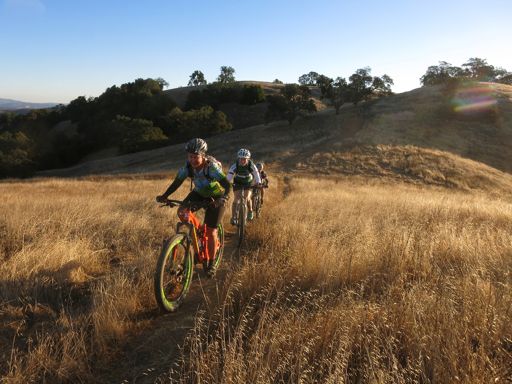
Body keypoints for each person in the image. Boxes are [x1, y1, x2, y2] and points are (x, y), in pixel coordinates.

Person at [156, 138, 230, 274]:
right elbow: (176, 183)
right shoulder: (187, 168)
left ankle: (211, 263)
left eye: (196, 157)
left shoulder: (211, 168)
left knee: (211, 231)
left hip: (216, 197)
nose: (193, 160)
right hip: (199, 193)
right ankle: (198, 232)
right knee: (182, 211)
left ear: (203, 156)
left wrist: (224, 198)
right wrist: (165, 196)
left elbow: (227, 184)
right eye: (190, 156)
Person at [226, 148, 261, 225]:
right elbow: (230, 175)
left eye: (245, 159)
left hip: (248, 182)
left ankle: (250, 211)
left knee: (247, 197)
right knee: (236, 199)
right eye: (241, 159)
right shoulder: (235, 165)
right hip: (238, 182)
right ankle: (234, 217)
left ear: (248, 159)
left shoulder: (251, 165)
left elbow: (256, 173)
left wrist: (258, 182)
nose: (242, 161)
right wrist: (226, 183)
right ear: (238, 158)